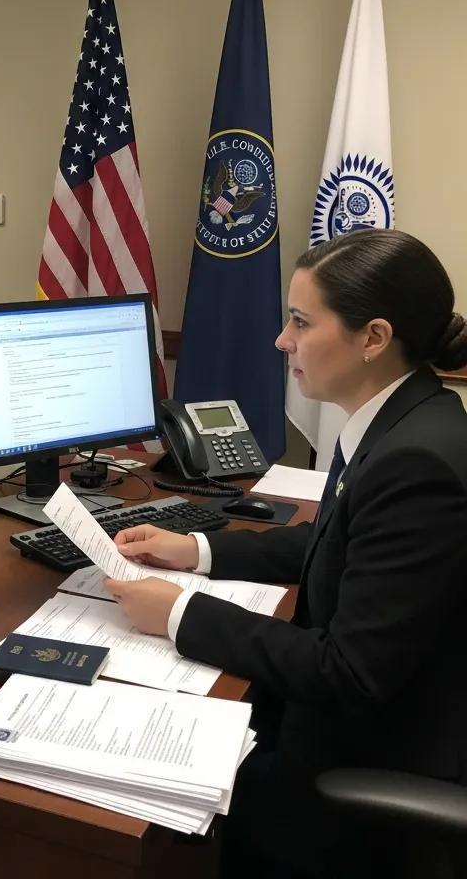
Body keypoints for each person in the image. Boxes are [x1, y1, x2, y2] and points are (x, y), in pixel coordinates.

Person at [104, 229, 467, 879]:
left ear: (373, 338)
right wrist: (196, 549)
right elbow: (333, 543)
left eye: (301, 321)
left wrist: (181, 615)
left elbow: (347, 673)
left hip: (372, 767)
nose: (281, 341)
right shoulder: (409, 419)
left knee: (147, 798)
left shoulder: (417, 464)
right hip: (371, 720)